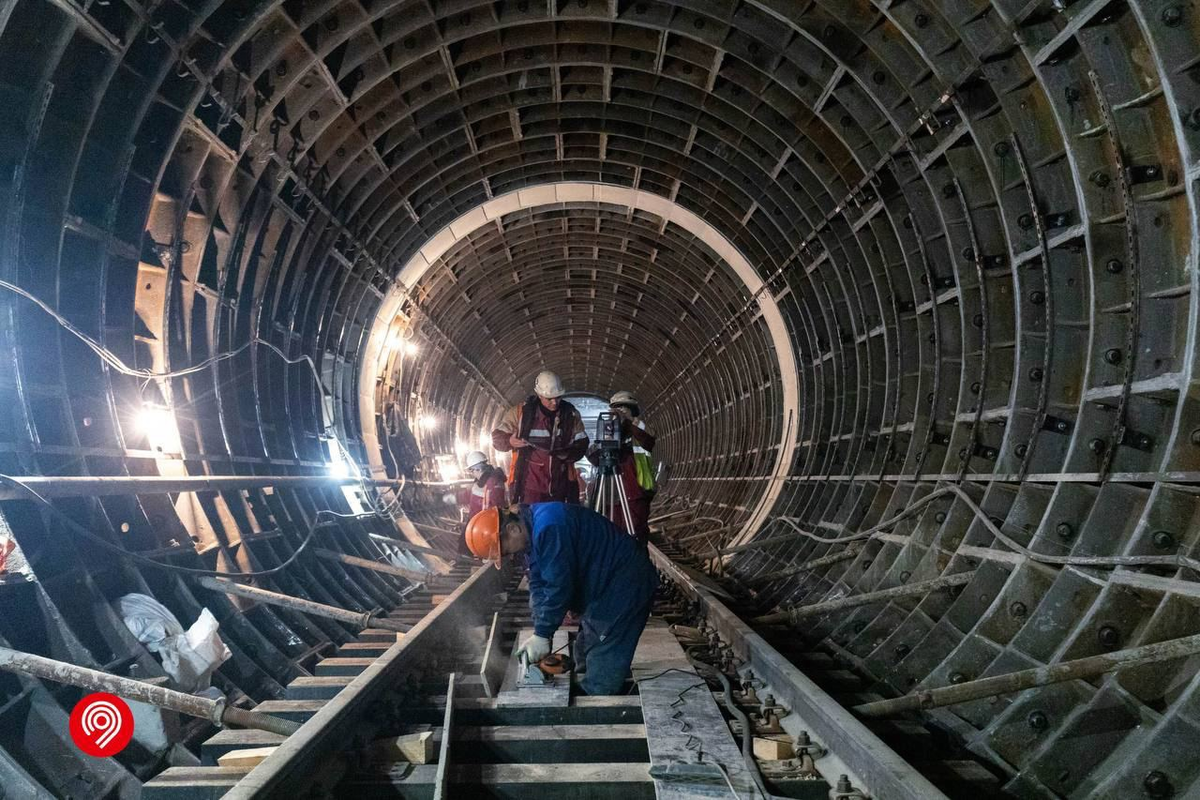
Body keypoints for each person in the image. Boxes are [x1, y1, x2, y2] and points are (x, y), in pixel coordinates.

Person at [464, 503, 658, 695]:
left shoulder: (550, 527)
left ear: (512, 529)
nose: (509, 556)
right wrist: (540, 631)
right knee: (583, 651)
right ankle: (587, 688)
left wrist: (543, 633)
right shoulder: (531, 532)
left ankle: (598, 701)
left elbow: (559, 586)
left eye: (505, 551)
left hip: (625, 584)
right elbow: (538, 582)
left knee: (603, 660)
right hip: (603, 586)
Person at [492, 370, 589, 504]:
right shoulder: (520, 414)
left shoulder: (570, 415)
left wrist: (568, 454)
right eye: (549, 398)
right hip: (529, 488)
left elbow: (582, 442)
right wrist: (509, 441)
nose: (555, 402)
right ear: (539, 395)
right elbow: (497, 439)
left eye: (558, 397)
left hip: (561, 486)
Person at [586, 391, 656, 544]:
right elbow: (593, 457)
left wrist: (629, 421)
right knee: (611, 534)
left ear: (632, 410)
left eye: (625, 409)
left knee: (635, 535)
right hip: (612, 496)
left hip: (635, 493)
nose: (620, 413)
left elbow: (649, 439)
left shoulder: (639, 429)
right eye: (617, 410)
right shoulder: (608, 431)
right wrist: (606, 436)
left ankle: (637, 565)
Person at [445, 451, 507, 555]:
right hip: (476, 521)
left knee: (469, 546)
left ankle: (469, 562)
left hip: (485, 523)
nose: (472, 473)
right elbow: (469, 495)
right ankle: (468, 561)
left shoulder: (493, 483)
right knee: (464, 543)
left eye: (472, 470)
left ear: (478, 469)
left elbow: (497, 505)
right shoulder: (480, 482)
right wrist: (454, 498)